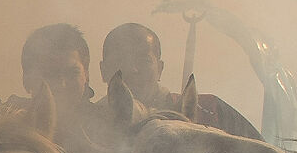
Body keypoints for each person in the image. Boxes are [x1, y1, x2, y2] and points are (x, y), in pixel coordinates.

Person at [99, 22, 261, 140]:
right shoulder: (86, 124)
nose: (133, 69)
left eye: (144, 60)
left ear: (160, 68)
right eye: (120, 60)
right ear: (103, 70)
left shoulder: (212, 112)